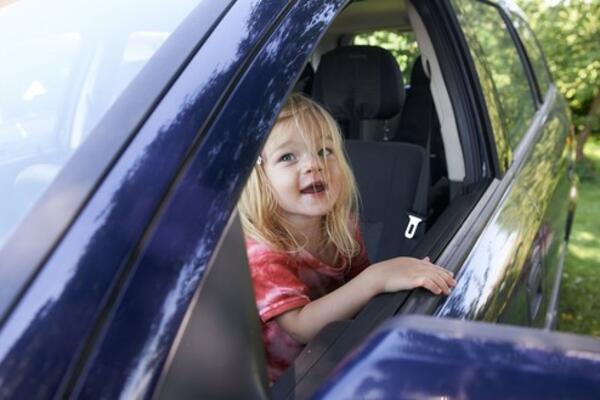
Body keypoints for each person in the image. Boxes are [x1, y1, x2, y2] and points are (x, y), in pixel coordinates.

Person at [238, 93, 455, 382]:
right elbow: (300, 325)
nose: (314, 165)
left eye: (325, 151)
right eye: (288, 157)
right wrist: (378, 278)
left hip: (337, 356)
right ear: (259, 179)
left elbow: (359, 284)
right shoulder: (263, 253)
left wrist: (396, 277)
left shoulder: (340, 226)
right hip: (288, 384)